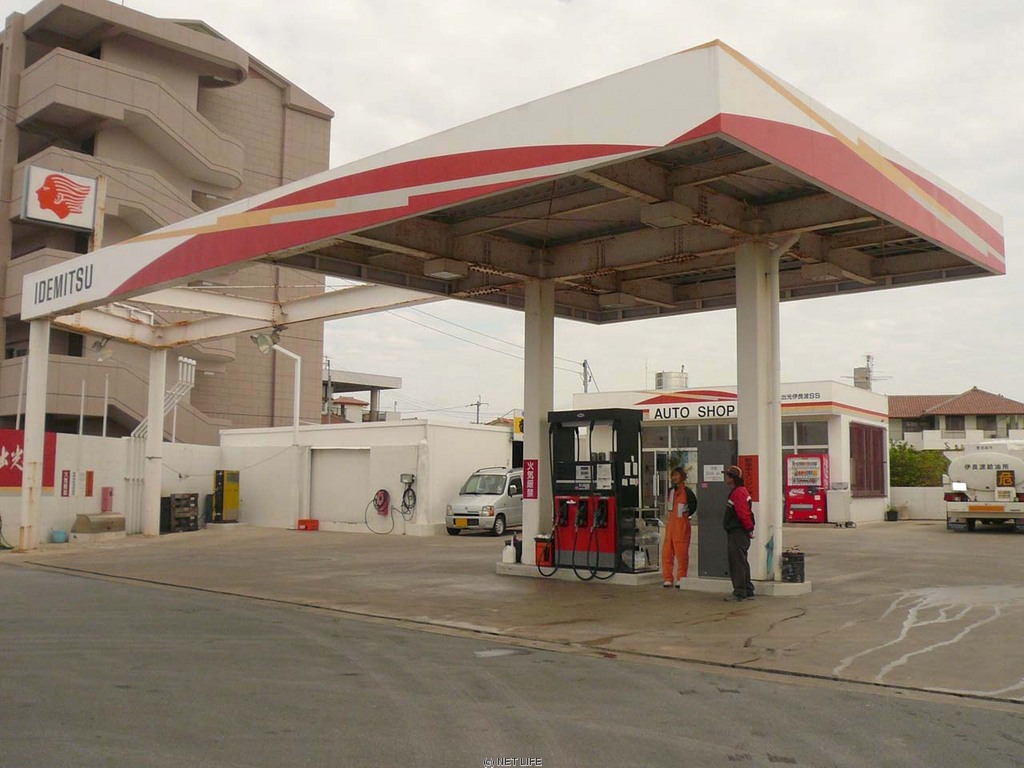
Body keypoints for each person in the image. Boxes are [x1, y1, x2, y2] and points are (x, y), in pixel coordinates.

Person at [723, 464, 755, 601]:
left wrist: (748, 529)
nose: (726, 478)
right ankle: (748, 590)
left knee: (737, 563)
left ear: (733, 478)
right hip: (740, 532)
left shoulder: (738, 493)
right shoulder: (740, 491)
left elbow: (743, 514)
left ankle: (740, 593)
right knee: (742, 562)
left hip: (738, 532)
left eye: (727, 475)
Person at [662, 466, 698, 587]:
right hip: (671, 525)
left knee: (681, 554)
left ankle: (681, 578)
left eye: (677, 475)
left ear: (682, 477)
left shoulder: (687, 492)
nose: (674, 477)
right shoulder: (670, 491)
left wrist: (686, 515)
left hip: (682, 526)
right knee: (667, 553)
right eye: (673, 475)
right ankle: (668, 578)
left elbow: (693, 505)